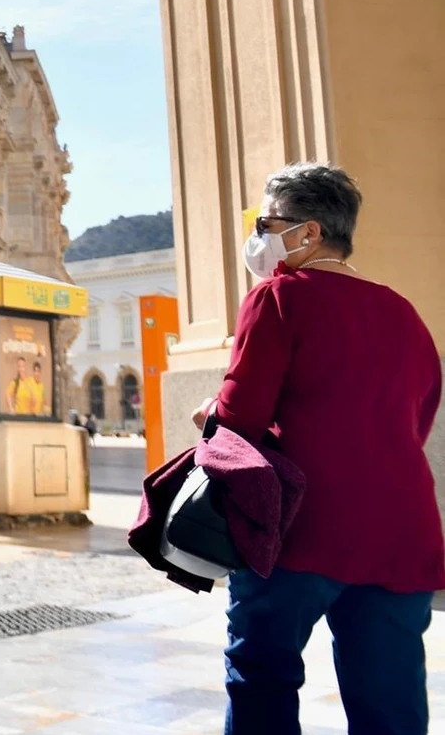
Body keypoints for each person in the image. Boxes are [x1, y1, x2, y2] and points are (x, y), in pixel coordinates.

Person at [183, 163, 443, 734]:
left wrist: (210, 414)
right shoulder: (403, 312)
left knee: (263, 677)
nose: (258, 236)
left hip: (300, 528)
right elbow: (417, 419)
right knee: (391, 699)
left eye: (265, 221)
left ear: (309, 232)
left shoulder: (278, 298)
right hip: (403, 530)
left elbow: (243, 416)